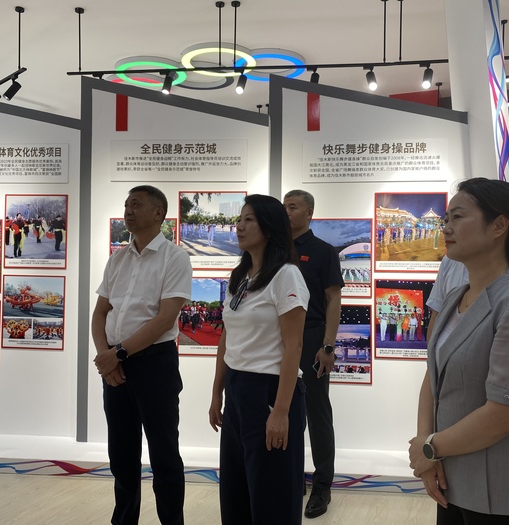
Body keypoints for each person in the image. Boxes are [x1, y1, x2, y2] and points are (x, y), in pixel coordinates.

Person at [408, 177, 509, 524]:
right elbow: (433, 375)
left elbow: (505, 412)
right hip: (451, 484)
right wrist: (425, 449)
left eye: (458, 217)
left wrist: (430, 447)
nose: (446, 227)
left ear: (499, 226)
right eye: (446, 219)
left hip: (505, 493)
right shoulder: (453, 299)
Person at [92, 185, 192, 525]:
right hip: (115, 365)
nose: (128, 211)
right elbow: (99, 313)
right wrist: (105, 357)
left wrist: (117, 353)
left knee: (164, 454)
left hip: (154, 363)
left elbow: (165, 319)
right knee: (121, 454)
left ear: (158, 213)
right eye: (126, 205)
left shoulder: (175, 258)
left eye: (136, 204)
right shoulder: (117, 259)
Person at [208, 194, 310, 525]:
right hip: (238, 390)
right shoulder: (240, 278)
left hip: (270, 391)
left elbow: (294, 346)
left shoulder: (286, 276)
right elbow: (227, 339)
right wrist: (217, 393)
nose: (239, 226)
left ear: (268, 227)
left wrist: (280, 412)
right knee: (236, 493)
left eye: (248, 220)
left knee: (272, 497)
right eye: (239, 219)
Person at [283, 189, 343, 519]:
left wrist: (328, 345)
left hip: (311, 336)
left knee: (317, 413)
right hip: (279, 338)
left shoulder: (323, 251)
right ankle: (291, 479)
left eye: (293, 207)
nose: (286, 211)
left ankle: (322, 485)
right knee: (282, 408)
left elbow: (333, 299)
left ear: (309, 213)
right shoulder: (276, 249)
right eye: (284, 206)